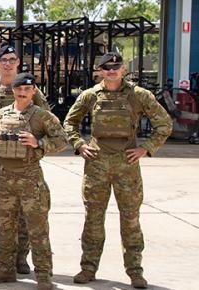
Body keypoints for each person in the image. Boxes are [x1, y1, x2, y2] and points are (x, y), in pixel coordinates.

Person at [64, 52, 172, 289]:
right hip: (97, 165)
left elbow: (164, 124)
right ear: (99, 71)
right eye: (107, 68)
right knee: (93, 218)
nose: (112, 71)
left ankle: (135, 271)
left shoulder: (139, 95)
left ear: (123, 69)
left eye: (116, 67)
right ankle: (88, 268)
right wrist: (79, 144)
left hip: (127, 165)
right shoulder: (90, 95)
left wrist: (146, 148)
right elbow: (69, 122)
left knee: (130, 219)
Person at [0, 73, 67, 290]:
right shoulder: (2, 114)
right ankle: (5, 269)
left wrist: (38, 142)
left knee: (37, 229)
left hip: (30, 178)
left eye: (27, 89)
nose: (22, 93)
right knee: (5, 227)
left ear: (33, 91)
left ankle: (44, 275)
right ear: (13, 90)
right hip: (5, 178)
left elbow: (61, 140)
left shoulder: (42, 116)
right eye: (19, 89)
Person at [0, 44, 49, 274]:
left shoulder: (31, 90)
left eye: (12, 59)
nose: (7, 64)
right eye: (3, 60)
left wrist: (38, 144)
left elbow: (47, 120)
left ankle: (21, 258)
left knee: (25, 211)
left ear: (18, 62)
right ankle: (0, 257)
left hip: (25, 161)